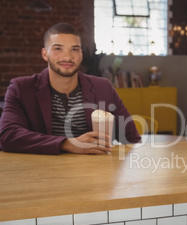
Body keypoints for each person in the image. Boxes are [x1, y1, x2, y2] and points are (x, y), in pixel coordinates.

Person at [0, 23, 141, 154]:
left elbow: (131, 137)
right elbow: (7, 136)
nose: (67, 57)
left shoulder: (102, 87)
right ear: (45, 54)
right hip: (41, 173)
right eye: (58, 49)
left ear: (81, 54)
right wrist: (68, 144)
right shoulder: (21, 88)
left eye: (74, 49)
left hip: (95, 173)